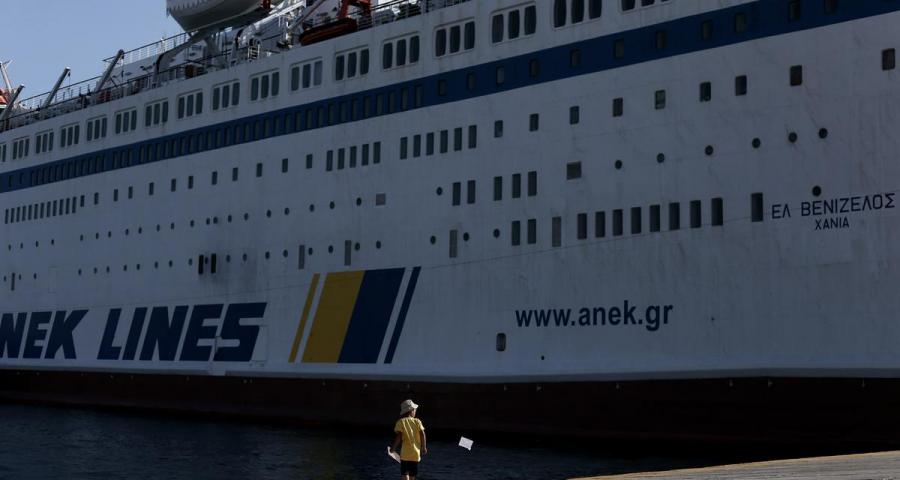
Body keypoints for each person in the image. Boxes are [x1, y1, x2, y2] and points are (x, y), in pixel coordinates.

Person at [391, 399, 427, 480]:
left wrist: (393, 448)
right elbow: (422, 434)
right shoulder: (417, 421)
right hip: (415, 454)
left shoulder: (401, 422)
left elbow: (399, 436)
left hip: (405, 454)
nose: (415, 412)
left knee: (405, 473)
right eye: (415, 410)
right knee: (412, 475)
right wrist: (424, 447)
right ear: (411, 411)